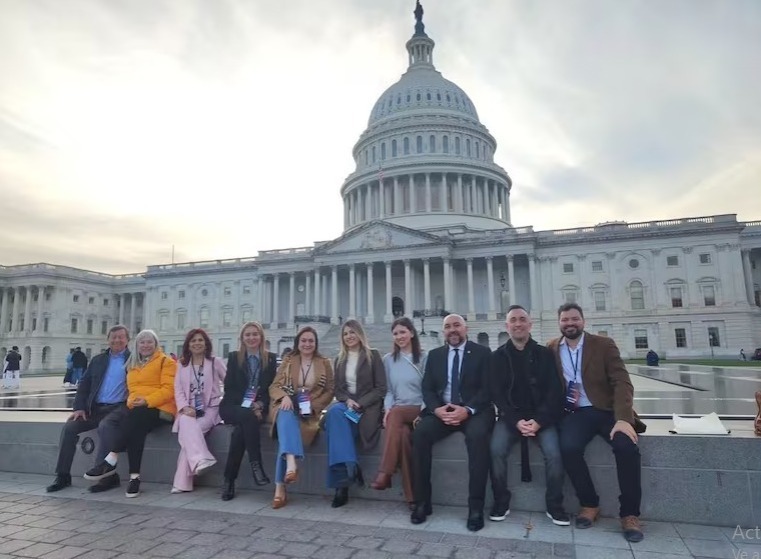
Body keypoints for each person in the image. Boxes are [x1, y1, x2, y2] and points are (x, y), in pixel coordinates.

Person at [547, 303, 644, 543]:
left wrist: (623, 419)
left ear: (583, 321)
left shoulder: (603, 345)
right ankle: (589, 504)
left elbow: (622, 382)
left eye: (574, 319)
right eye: (565, 320)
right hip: (577, 413)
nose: (570, 323)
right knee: (568, 448)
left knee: (626, 448)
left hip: (608, 410)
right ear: (559, 323)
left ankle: (630, 513)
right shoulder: (551, 348)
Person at [410, 314, 494, 532]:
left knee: (477, 439)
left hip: (474, 412)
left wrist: (467, 410)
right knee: (419, 435)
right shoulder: (436, 355)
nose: (452, 330)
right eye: (447, 327)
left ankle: (475, 507)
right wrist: (437, 409)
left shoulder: (482, 353)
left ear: (466, 328)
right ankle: (422, 502)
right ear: (443, 331)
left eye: (457, 325)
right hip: (443, 412)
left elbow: (488, 389)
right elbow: (427, 388)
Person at [489, 305, 568, 526]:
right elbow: (497, 394)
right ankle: (501, 501)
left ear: (529, 324)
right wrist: (515, 420)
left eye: (522, 319)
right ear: (507, 326)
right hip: (510, 418)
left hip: (541, 417)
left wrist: (539, 421)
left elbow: (554, 391)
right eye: (513, 320)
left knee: (554, 454)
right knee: (496, 450)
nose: (518, 324)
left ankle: (554, 505)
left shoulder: (545, 354)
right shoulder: (498, 357)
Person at [84, 329, 177, 497]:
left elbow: (169, 390)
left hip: (163, 409)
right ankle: (134, 478)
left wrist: (147, 401)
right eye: (142, 342)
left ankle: (111, 458)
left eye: (150, 342)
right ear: (137, 345)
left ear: (156, 344)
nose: (146, 345)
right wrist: (132, 401)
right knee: (136, 430)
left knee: (134, 417)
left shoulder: (166, 362)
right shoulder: (133, 364)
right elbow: (133, 390)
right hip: (140, 411)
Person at [45, 326, 130, 493]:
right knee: (70, 428)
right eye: (113, 337)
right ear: (108, 339)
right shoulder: (98, 360)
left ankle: (106, 477)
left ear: (128, 340)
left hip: (118, 409)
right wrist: (79, 407)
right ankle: (63, 475)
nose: (117, 340)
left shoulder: (133, 360)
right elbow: (84, 384)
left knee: (106, 427)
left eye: (121, 337)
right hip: (95, 409)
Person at [268, 326, 334, 509]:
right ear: (298, 342)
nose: (307, 344)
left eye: (310, 340)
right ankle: (290, 465)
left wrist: (315, 406)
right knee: (285, 415)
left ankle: (280, 487)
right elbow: (274, 386)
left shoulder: (324, 362)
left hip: (308, 412)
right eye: (303, 340)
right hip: (286, 406)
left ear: (315, 343)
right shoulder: (289, 360)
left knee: (286, 434)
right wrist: (284, 396)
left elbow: (329, 391)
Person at [324, 319, 386, 508]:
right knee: (334, 412)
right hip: (348, 405)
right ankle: (351, 466)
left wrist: (360, 402)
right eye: (345, 334)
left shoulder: (373, 356)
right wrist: (347, 400)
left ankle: (341, 486)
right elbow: (338, 390)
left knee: (336, 429)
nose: (349, 336)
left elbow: (381, 388)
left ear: (359, 334)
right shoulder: (339, 359)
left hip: (367, 408)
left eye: (352, 332)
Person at [370, 317, 427, 508]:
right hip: (399, 412)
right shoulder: (388, 360)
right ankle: (412, 498)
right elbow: (389, 391)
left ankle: (385, 471)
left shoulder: (424, 357)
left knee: (396, 414)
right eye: (395, 333)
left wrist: (424, 412)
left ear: (411, 333)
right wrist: (387, 409)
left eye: (403, 332)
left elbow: (429, 389)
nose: (399, 336)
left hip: (419, 408)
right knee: (402, 437)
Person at [218, 322, 277, 501]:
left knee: (240, 433)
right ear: (242, 339)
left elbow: (271, 389)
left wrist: (259, 404)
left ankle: (229, 480)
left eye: (255, 334)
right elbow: (230, 389)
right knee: (247, 417)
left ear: (261, 337)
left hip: (256, 409)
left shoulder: (271, 359)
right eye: (248, 335)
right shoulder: (235, 357)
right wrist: (249, 406)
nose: (251, 338)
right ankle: (256, 464)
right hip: (232, 406)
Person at [171, 328, 227, 493]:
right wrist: (185, 407)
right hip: (188, 408)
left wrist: (227, 402)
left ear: (206, 343)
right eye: (193, 340)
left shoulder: (215, 362)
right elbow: (178, 389)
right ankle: (201, 459)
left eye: (200, 340)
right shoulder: (182, 364)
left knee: (189, 435)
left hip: (210, 409)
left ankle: (183, 482)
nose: (197, 343)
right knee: (187, 423)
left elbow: (230, 382)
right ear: (188, 345)